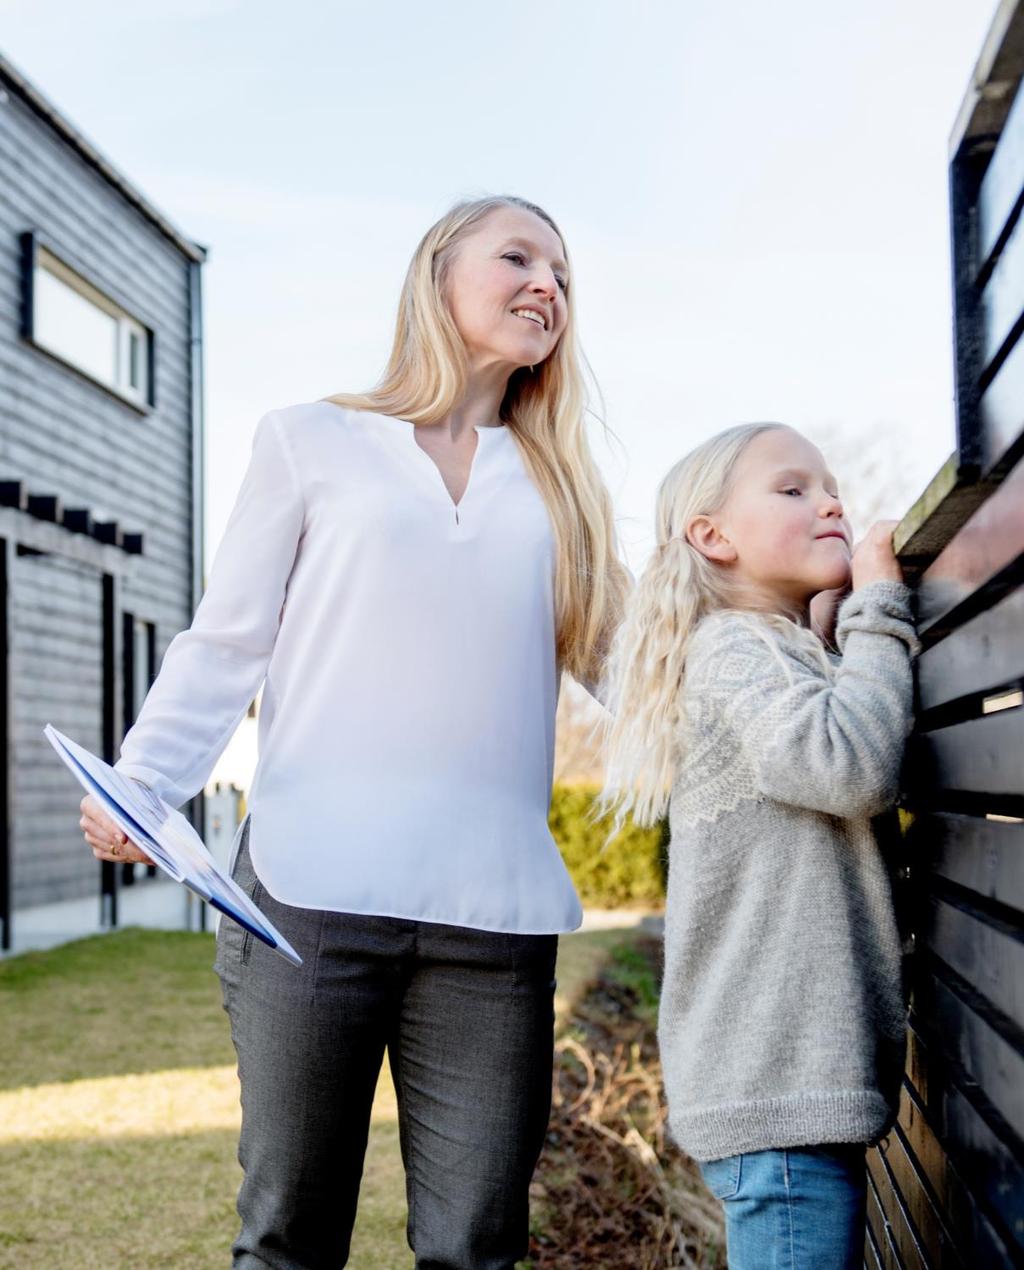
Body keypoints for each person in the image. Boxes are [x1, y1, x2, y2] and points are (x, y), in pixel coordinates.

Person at [78, 194, 629, 1269]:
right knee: (289, 1239)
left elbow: (639, 665)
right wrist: (142, 783)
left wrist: (796, 626)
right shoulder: (311, 440)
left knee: (477, 1247)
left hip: (492, 917)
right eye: (519, 257)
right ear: (438, 277)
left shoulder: (560, 487)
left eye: (563, 274)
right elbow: (224, 643)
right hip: (307, 906)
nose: (548, 286)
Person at [596, 422, 919, 1269]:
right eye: (793, 489)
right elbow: (849, 767)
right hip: (777, 1103)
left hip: (786, 1096)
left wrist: (833, 641)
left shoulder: (772, 651)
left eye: (829, 486)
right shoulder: (736, 649)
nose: (831, 502)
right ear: (713, 536)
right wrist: (879, 606)